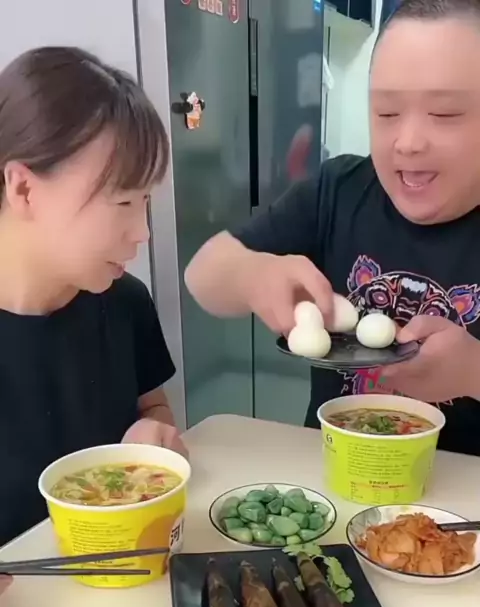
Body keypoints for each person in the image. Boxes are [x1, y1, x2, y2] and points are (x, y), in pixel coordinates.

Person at [185, 0, 480, 456]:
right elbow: (202, 275)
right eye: (386, 113)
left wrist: (473, 372)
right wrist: (251, 275)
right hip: (332, 476)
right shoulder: (339, 192)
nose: (407, 142)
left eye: (444, 115)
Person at [0, 46, 185, 547]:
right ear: (23, 189)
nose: (142, 232)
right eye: (122, 201)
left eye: (145, 201)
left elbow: (154, 410)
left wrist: (154, 437)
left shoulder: (125, 302)